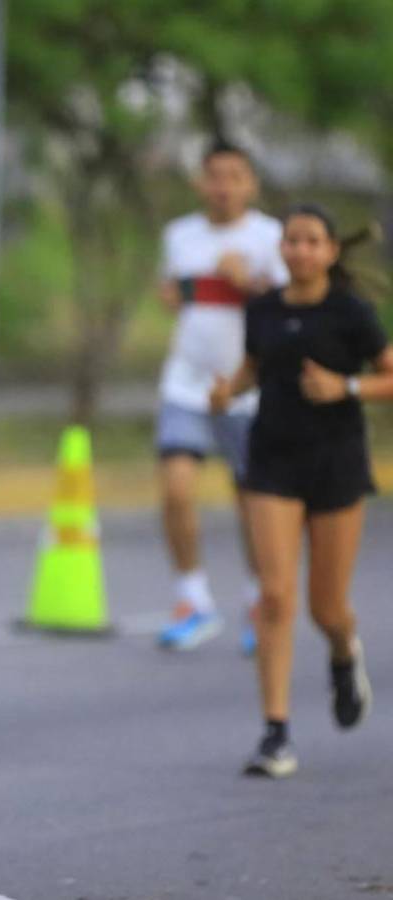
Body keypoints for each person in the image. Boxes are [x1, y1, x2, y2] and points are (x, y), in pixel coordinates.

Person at [210, 204, 393, 777]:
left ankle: (344, 653)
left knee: (326, 607)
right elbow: (254, 367)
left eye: (313, 241)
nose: (301, 250)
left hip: (336, 465)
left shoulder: (351, 312)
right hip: (273, 460)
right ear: (281, 248)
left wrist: (346, 387)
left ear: (331, 251)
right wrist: (228, 390)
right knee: (275, 596)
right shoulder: (263, 308)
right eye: (292, 240)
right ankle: (276, 733)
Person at [155, 140, 288, 652]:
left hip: (247, 390)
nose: (224, 186)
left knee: (250, 502)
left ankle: (257, 601)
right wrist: (174, 296)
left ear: (250, 183)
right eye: (214, 176)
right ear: (200, 182)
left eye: (235, 176)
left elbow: (289, 306)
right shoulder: (180, 235)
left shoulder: (270, 237)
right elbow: (175, 293)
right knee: (176, 489)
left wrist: (247, 282)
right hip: (186, 383)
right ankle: (193, 601)